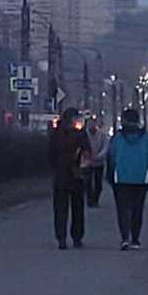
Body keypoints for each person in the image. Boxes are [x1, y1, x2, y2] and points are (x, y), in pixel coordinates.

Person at [106, 106, 148, 249]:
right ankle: (135, 239)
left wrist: (110, 177)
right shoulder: (145, 138)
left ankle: (125, 238)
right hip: (141, 179)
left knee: (122, 209)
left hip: (121, 179)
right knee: (137, 209)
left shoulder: (118, 138)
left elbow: (111, 157)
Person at [48, 105, 91, 250]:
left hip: (64, 174)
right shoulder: (79, 134)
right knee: (75, 208)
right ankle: (74, 237)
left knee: (63, 208)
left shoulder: (57, 133)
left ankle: (63, 237)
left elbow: (50, 153)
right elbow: (87, 152)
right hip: (74, 174)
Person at [82, 115, 108, 208]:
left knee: (98, 183)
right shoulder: (84, 135)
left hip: (98, 162)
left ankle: (95, 199)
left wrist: (98, 156)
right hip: (87, 163)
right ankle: (90, 200)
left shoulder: (102, 135)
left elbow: (105, 147)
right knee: (87, 182)